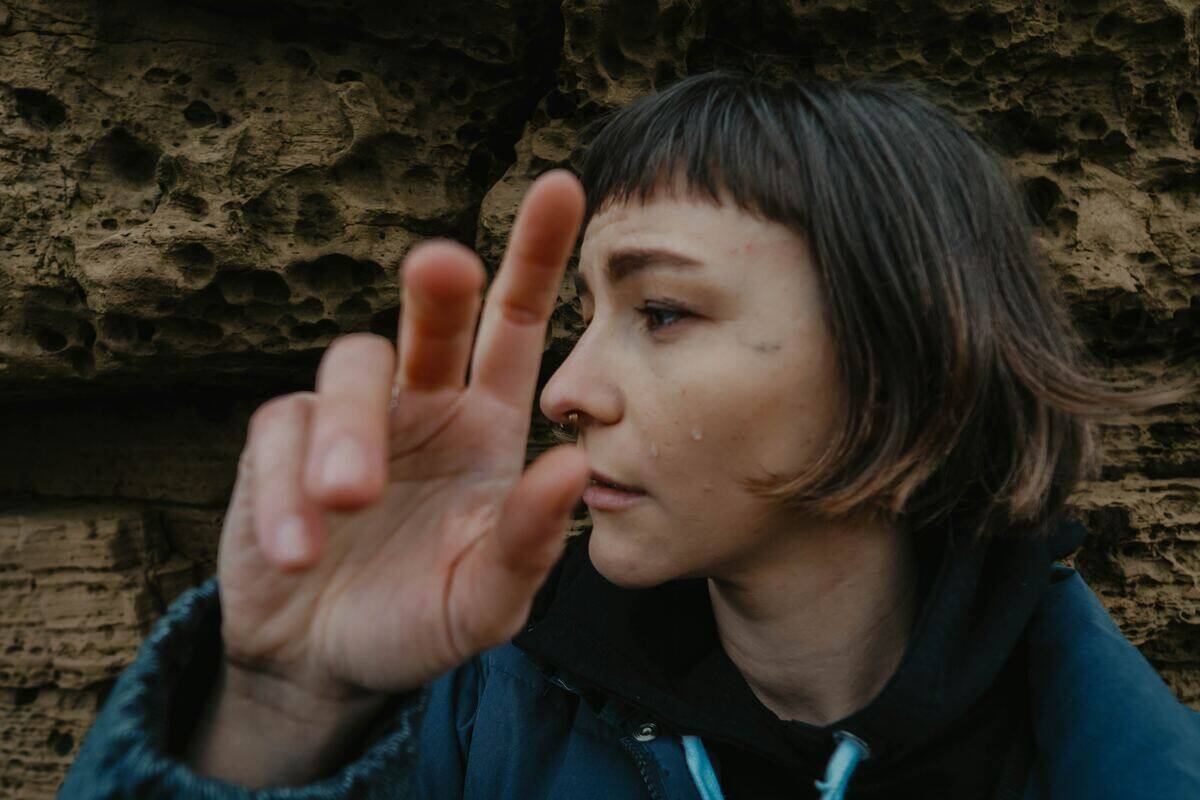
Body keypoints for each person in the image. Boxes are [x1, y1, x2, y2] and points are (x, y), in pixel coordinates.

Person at [59, 71, 1199, 800]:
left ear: (905, 358)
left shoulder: (1107, 754)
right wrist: (283, 700)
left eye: (662, 310)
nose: (566, 387)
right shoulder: (482, 719)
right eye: (583, 317)